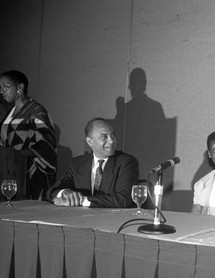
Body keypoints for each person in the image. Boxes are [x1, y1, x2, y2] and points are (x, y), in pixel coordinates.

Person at [47, 118, 139, 208]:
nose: (112, 141)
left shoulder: (126, 162)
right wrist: (64, 193)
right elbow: (51, 192)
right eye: (104, 137)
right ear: (90, 141)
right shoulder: (77, 163)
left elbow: (122, 200)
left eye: (113, 135)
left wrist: (82, 200)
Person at [0, 70, 57, 200]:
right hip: (9, 172)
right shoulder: (8, 115)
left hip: (31, 175)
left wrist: (17, 154)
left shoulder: (36, 111)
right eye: (0, 87)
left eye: (5, 86)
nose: (1, 91)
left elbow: (46, 143)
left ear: (20, 87)